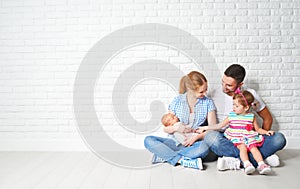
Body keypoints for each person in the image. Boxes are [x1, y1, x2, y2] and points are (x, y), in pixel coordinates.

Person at [204, 64, 286, 171]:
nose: (224, 87)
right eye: (222, 82)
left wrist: (259, 137)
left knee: (279, 139)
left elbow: (267, 118)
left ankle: (237, 162)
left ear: (240, 84)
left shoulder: (249, 95)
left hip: (248, 137)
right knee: (211, 138)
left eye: (229, 85)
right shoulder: (213, 93)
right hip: (227, 137)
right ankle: (260, 159)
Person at [144, 71, 217, 170]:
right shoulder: (177, 101)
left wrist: (197, 137)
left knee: (204, 148)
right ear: (190, 89)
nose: (205, 94)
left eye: (205, 90)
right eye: (201, 92)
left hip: (194, 144)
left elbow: (213, 129)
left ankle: (165, 156)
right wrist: (175, 128)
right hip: (175, 142)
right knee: (148, 140)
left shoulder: (208, 103)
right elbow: (166, 128)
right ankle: (182, 160)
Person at [198, 90, 273, 175]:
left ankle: (261, 164)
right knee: (242, 148)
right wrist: (205, 127)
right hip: (237, 138)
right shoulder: (231, 115)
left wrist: (266, 132)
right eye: (233, 104)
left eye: (236, 106)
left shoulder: (251, 116)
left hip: (249, 138)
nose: (233, 107)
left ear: (246, 107)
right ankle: (247, 164)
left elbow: (258, 129)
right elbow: (219, 126)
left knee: (254, 149)